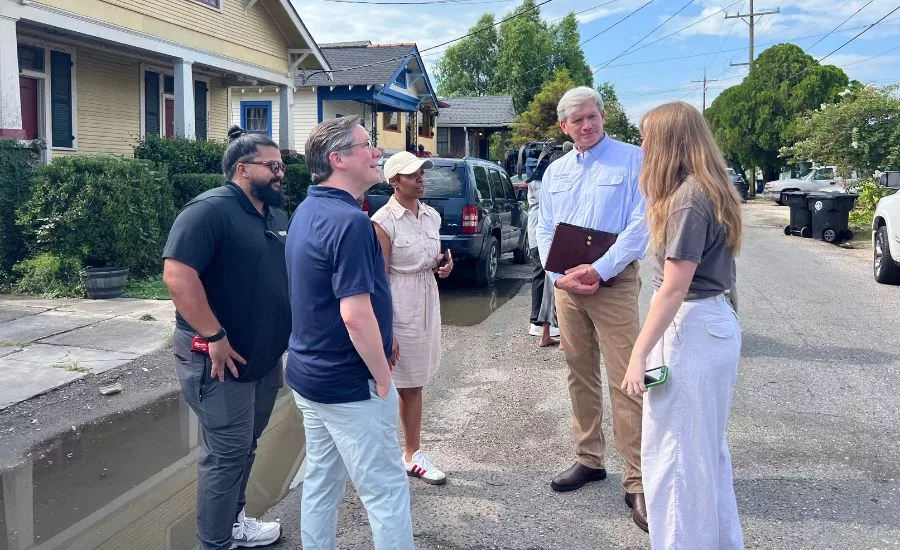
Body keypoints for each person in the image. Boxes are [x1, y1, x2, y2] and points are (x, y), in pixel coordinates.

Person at [285, 115, 415, 549]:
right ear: (338, 159)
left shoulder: (306, 210)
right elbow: (355, 315)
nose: (377, 152)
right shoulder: (352, 223)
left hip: (309, 376)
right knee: (386, 492)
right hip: (348, 383)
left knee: (322, 481)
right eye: (366, 145)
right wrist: (381, 377)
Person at [621, 101, 744, 549]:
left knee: (676, 459)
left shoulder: (688, 199)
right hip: (709, 323)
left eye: (646, 137)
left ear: (669, 141)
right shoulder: (709, 188)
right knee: (703, 453)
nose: (642, 147)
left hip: (689, 329)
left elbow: (674, 289)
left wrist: (637, 354)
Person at [162, 126, 290, 549]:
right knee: (226, 454)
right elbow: (178, 276)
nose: (281, 173)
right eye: (272, 166)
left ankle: (233, 524)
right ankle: (214, 544)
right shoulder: (209, 211)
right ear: (242, 168)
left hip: (262, 356)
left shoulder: (272, 214)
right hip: (218, 357)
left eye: (282, 165)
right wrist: (213, 334)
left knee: (245, 445)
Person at [536, 86, 650, 532]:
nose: (586, 126)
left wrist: (599, 269)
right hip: (567, 286)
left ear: (603, 116)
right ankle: (589, 458)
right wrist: (556, 277)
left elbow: (642, 223)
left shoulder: (633, 159)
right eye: (577, 120)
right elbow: (544, 226)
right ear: (564, 126)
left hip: (613, 284)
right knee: (579, 373)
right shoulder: (556, 171)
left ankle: (638, 479)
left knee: (627, 379)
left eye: (592, 117)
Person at [371, 151, 454, 485]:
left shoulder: (431, 215)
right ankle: (391, 455)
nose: (421, 179)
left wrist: (443, 265)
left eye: (422, 173)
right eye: (413, 174)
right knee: (390, 381)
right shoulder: (383, 221)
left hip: (426, 298)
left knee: (415, 380)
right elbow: (379, 278)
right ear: (395, 181)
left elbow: (433, 258)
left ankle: (410, 453)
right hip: (397, 301)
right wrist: (384, 329)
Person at [526, 143, 571, 347]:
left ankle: (542, 327)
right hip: (550, 237)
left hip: (536, 235)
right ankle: (555, 330)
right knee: (554, 284)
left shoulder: (534, 181)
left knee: (544, 281)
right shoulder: (551, 182)